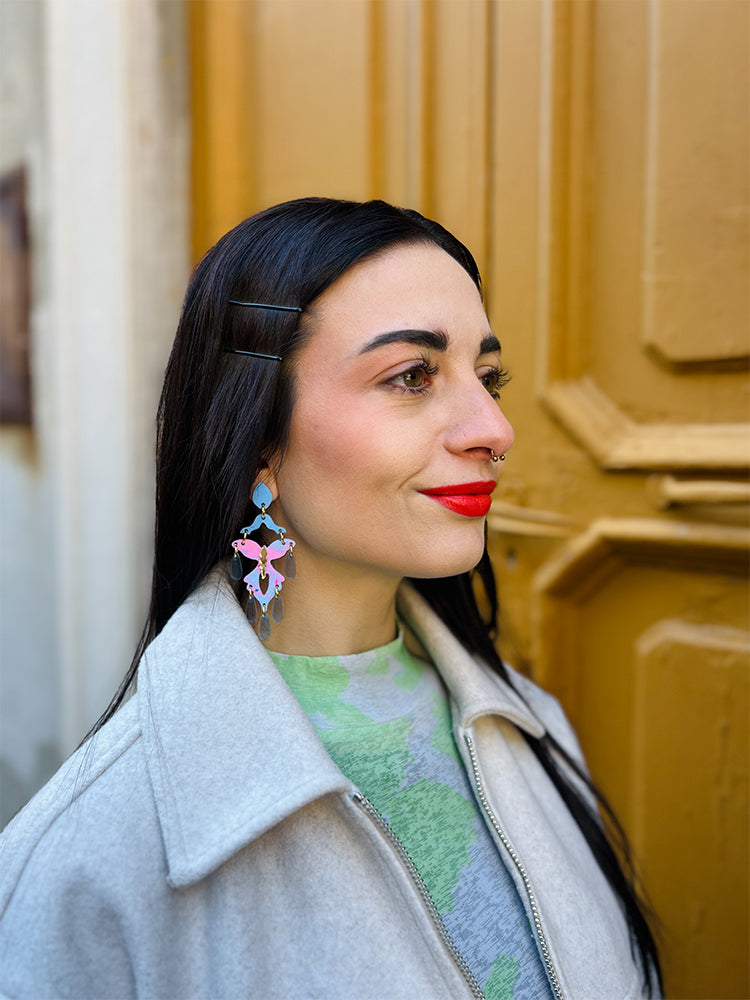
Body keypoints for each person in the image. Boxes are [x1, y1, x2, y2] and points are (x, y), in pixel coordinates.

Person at [0, 198, 662, 999]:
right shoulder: (86, 861)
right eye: (413, 376)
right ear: (257, 441)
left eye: (487, 377)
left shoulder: (530, 727)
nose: (493, 427)